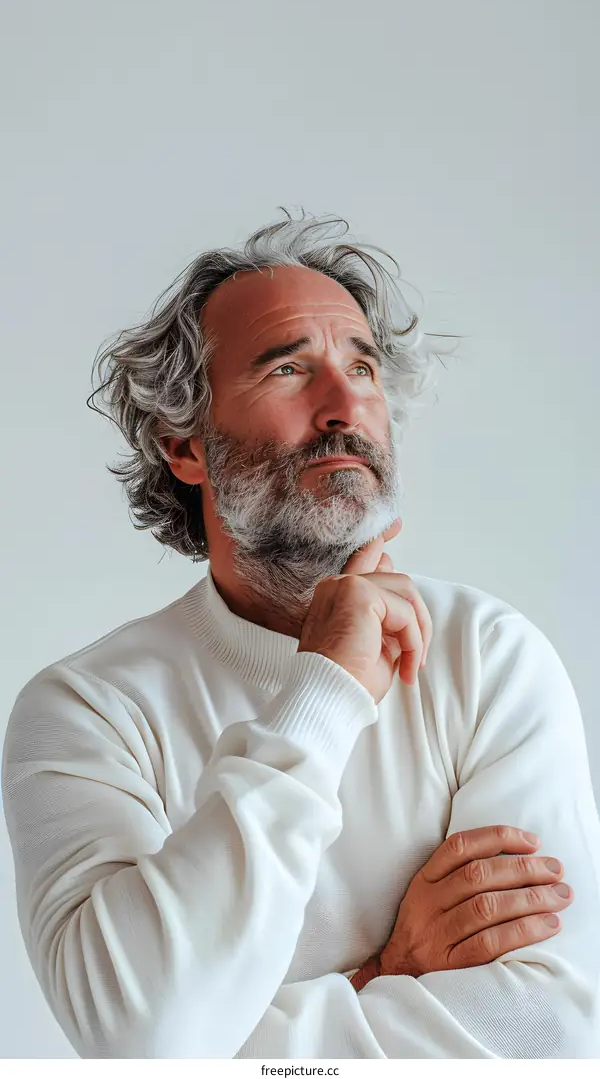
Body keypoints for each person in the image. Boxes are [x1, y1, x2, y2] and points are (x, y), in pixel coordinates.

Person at [3, 210, 600, 1059]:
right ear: (185, 446)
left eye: (361, 366)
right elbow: (139, 1044)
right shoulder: (85, 710)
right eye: (289, 368)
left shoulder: (486, 654)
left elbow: (556, 1028)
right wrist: (325, 686)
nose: (344, 404)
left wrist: (245, 1040)